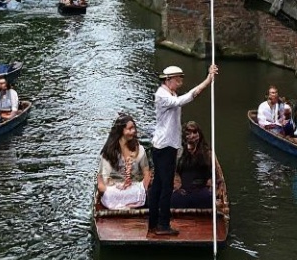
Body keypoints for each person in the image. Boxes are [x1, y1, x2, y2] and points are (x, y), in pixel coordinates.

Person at [147, 63, 218, 237]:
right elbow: (182, 100)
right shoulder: (163, 95)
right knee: (165, 187)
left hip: (167, 145)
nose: (180, 82)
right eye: (178, 79)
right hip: (164, 147)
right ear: (168, 80)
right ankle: (162, 224)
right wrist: (207, 80)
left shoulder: (170, 92)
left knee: (158, 185)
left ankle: (153, 221)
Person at [96, 114, 151, 209]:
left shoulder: (140, 150)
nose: (133, 131)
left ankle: (132, 204)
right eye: (130, 129)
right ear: (121, 131)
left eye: (134, 128)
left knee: (140, 192)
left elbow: (146, 173)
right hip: (114, 189)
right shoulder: (109, 153)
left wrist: (144, 188)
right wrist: (114, 187)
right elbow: (103, 179)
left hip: (134, 188)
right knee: (110, 193)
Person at [171, 121, 225, 209]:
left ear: (199, 134)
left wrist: (215, 190)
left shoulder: (208, 154)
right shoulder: (179, 153)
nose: (192, 136)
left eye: (195, 132)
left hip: (202, 191)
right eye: (188, 134)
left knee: (207, 199)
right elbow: (175, 173)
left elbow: (218, 176)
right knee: (172, 200)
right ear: (184, 137)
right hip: (184, 191)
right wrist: (177, 186)